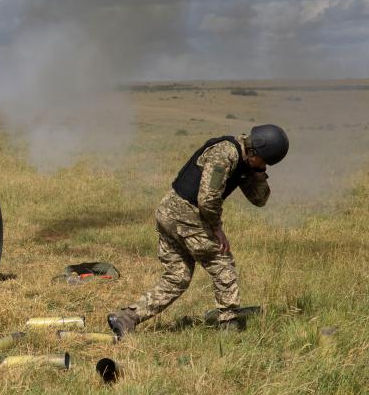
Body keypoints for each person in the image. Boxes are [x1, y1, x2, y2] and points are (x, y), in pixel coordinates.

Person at [107, 124, 289, 337]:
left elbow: (260, 199)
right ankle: (229, 326)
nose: (265, 165)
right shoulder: (225, 153)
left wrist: (257, 171)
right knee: (222, 265)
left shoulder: (245, 160)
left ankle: (127, 318)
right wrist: (216, 228)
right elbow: (207, 198)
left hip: (170, 213)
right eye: (265, 161)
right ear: (256, 150)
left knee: (178, 277)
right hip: (185, 215)